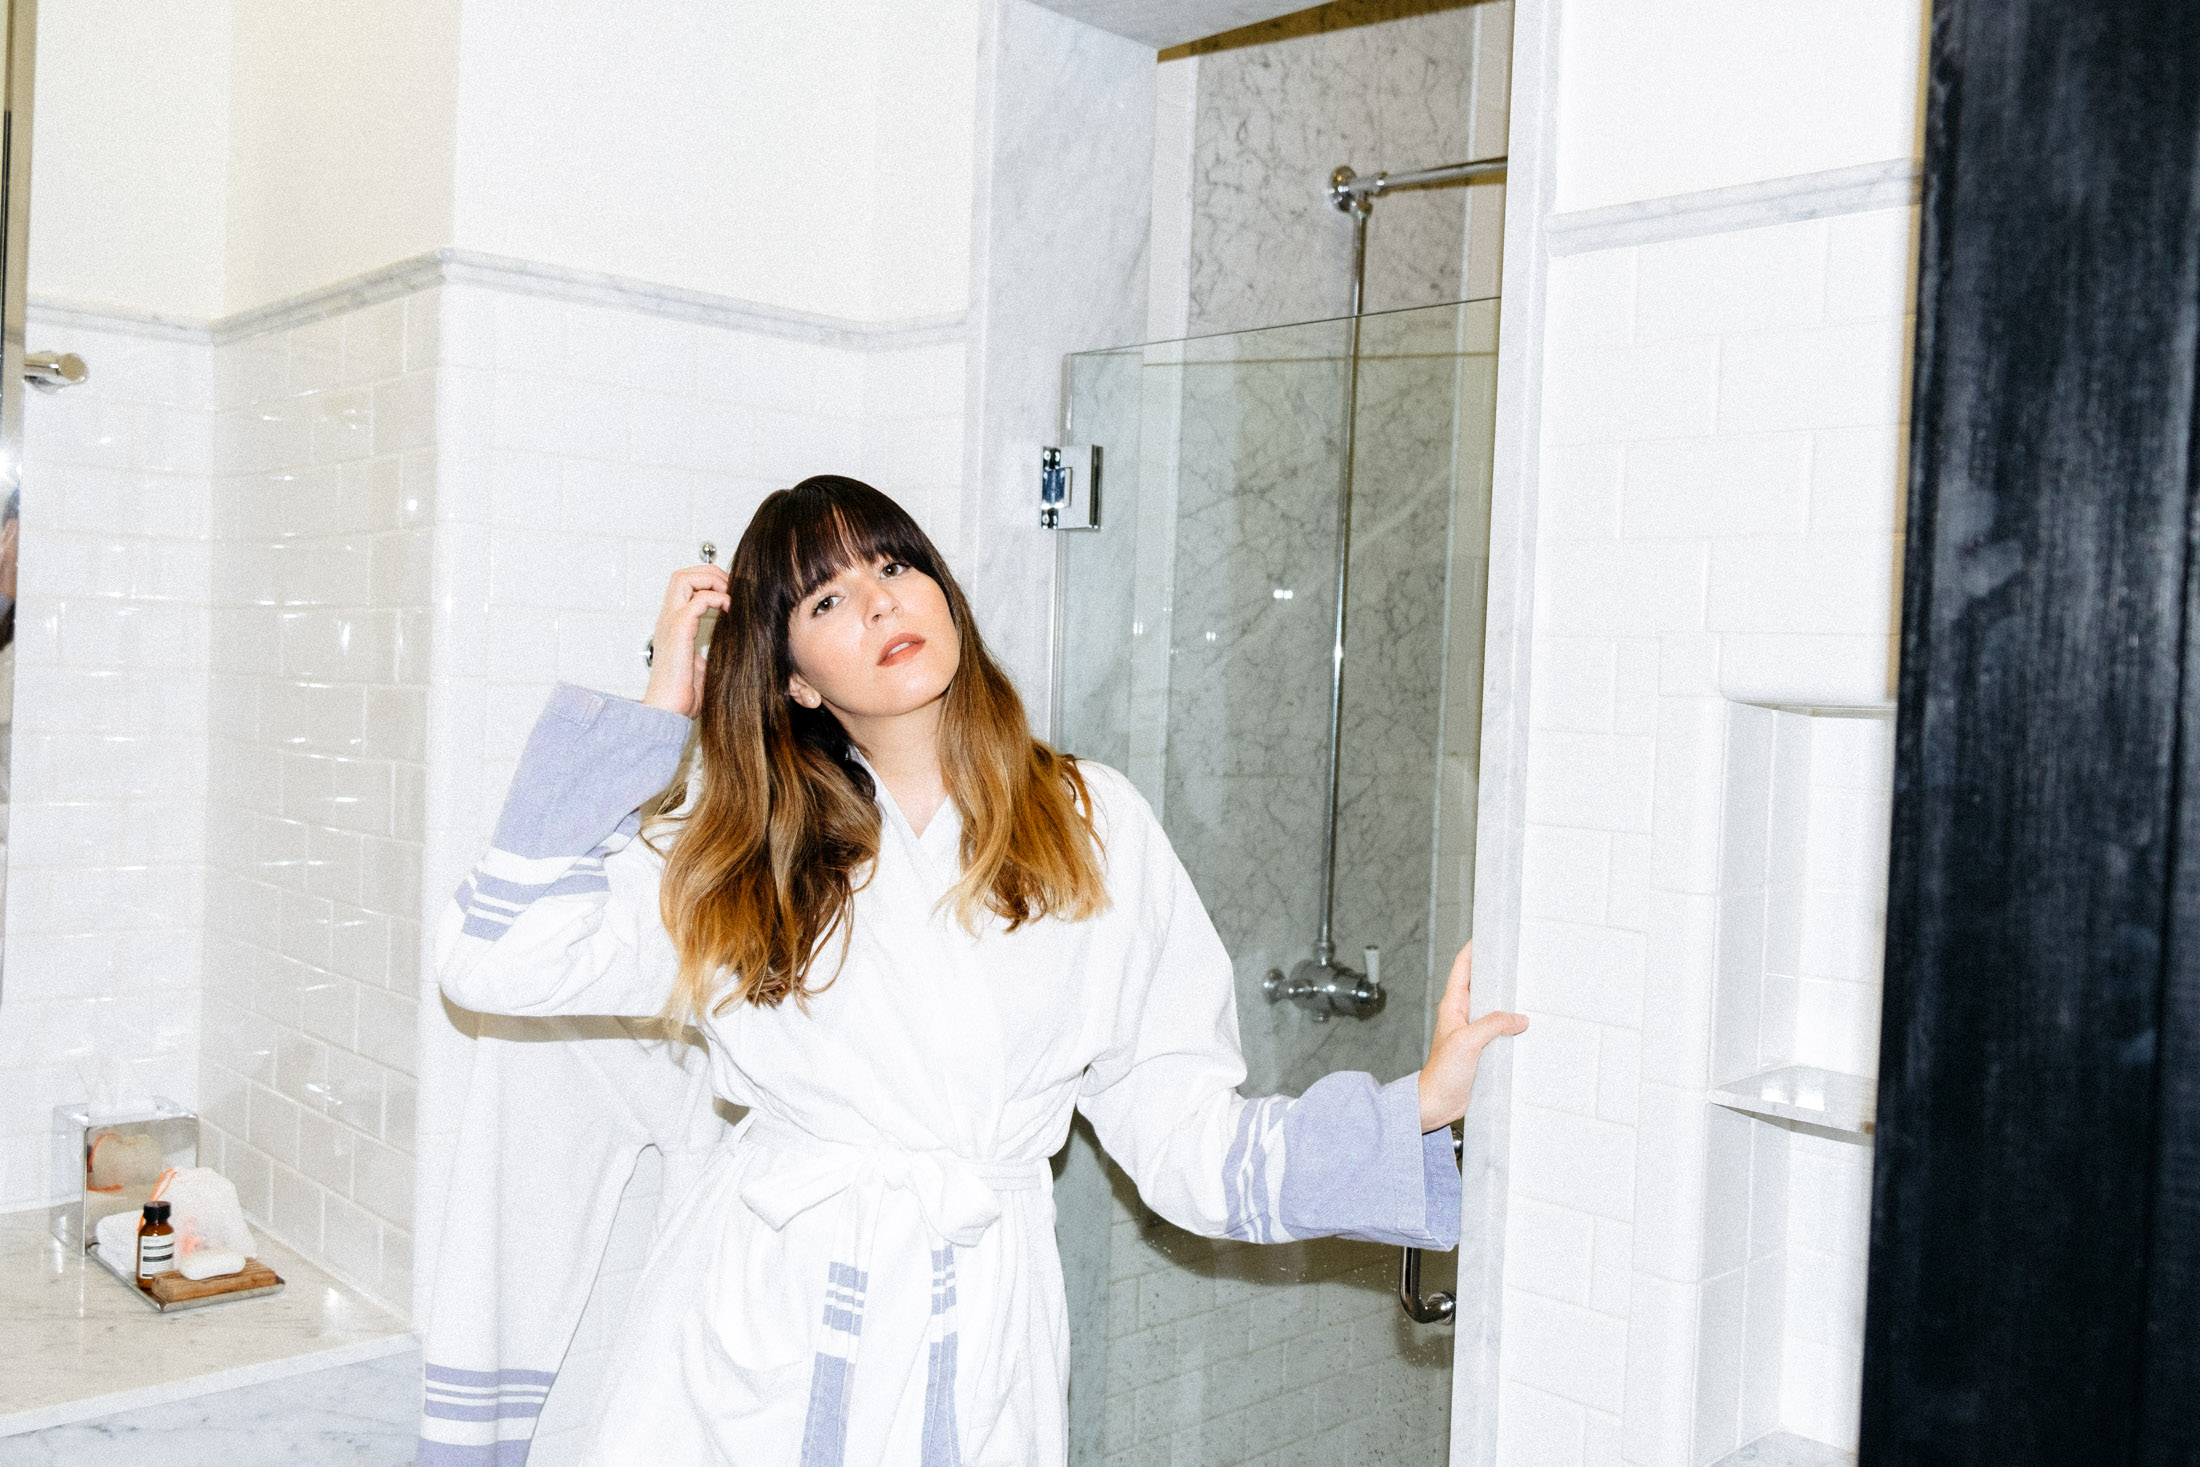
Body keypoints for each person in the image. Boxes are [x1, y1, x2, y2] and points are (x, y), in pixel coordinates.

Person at [436, 474, 1527, 1466]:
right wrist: (660, 708)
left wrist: (1413, 1109)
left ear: (943, 595)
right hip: (753, 1335)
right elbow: (491, 958)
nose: (875, 603)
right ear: (795, 684)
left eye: (894, 565)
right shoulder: (737, 853)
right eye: (824, 602)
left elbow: (1184, 1136)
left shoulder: (1093, 824)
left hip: (976, 1326)